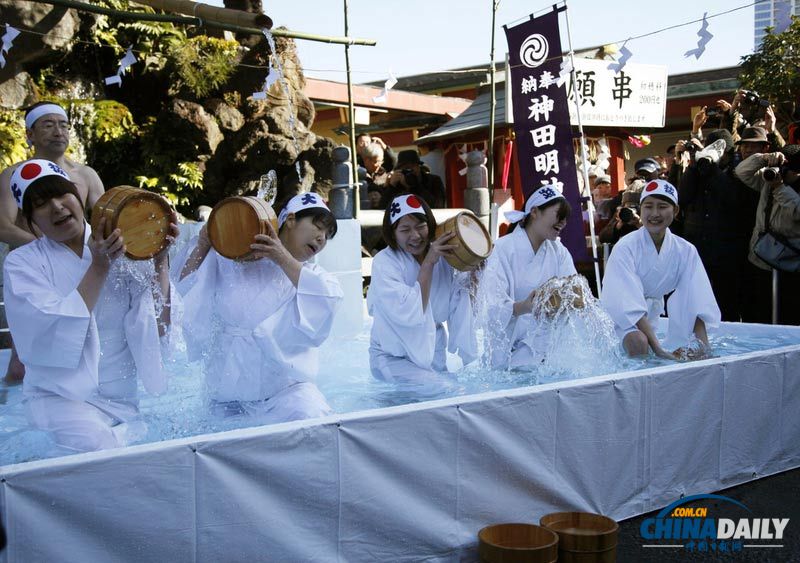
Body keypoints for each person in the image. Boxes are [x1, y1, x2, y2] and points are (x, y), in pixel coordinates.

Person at [3, 160, 179, 452]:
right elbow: (49, 336)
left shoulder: (124, 247)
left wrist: (160, 261)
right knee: (97, 446)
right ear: (31, 221)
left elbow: (159, 322)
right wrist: (99, 267)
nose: (57, 207)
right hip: (60, 399)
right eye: (42, 203)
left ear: (78, 197)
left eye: (62, 195)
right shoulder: (22, 263)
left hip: (120, 397)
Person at [175, 191, 343, 422]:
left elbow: (326, 302)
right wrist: (204, 244)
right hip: (228, 391)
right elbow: (182, 291)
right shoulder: (231, 257)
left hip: (286, 392)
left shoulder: (313, 276)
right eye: (318, 226)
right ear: (291, 220)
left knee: (314, 417)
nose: (322, 238)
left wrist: (282, 257)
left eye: (327, 235)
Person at [0, 102, 105, 382]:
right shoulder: (14, 176)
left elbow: (108, 218)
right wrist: (49, 245)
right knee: (22, 363)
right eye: (48, 124)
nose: (58, 131)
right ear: (30, 134)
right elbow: (2, 225)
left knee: (95, 349)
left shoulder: (86, 175)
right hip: (37, 277)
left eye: (63, 125)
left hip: (87, 268)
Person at [601, 179, 721, 359]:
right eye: (648, 206)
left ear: (676, 210)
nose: (654, 213)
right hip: (620, 317)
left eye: (662, 206)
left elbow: (696, 300)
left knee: (697, 351)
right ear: (640, 209)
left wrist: (704, 349)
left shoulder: (686, 250)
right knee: (639, 342)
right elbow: (626, 303)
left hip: (651, 318)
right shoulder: (625, 247)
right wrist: (660, 351)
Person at [366, 194, 476, 387]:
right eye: (405, 229)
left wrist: (474, 270)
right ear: (393, 234)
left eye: (420, 226)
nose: (415, 236)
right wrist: (428, 263)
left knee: (455, 392)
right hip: (393, 358)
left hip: (433, 353)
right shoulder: (385, 262)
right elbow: (410, 312)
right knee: (444, 392)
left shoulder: (443, 258)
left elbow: (459, 301)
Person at [479, 185, 576, 369]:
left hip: (546, 342)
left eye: (565, 217)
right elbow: (490, 305)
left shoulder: (559, 251)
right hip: (509, 347)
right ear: (534, 212)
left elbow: (572, 289)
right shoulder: (502, 249)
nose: (563, 222)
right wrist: (522, 307)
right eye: (558, 214)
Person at [734, 145, 800, 325]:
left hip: (789, 263)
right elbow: (741, 171)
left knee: (788, 316)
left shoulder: (780, 185)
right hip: (759, 257)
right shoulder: (767, 180)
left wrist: (779, 187)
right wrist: (764, 158)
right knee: (758, 312)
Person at [379, 150, 447, 209]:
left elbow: (437, 206)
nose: (409, 171)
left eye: (412, 166)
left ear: (419, 166)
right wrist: (391, 186)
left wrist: (414, 187)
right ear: (400, 170)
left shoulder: (433, 180)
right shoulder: (397, 184)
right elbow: (383, 208)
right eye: (406, 168)